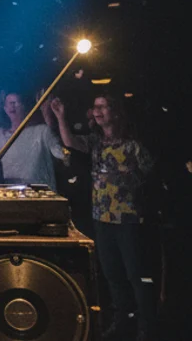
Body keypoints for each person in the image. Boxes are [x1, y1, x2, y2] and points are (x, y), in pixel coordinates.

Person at [54, 95, 156, 341]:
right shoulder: (96, 142)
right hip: (102, 219)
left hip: (128, 220)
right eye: (95, 106)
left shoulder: (133, 146)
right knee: (112, 274)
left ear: (116, 112)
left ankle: (147, 325)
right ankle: (122, 321)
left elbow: (150, 174)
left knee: (135, 274)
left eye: (102, 106)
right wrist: (60, 117)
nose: (96, 110)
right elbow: (69, 141)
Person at [0, 92, 66, 187]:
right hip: (10, 194)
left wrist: (58, 118)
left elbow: (63, 154)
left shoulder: (42, 131)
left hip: (38, 195)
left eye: (16, 102)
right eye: (9, 103)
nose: (12, 105)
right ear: (5, 109)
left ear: (25, 106)